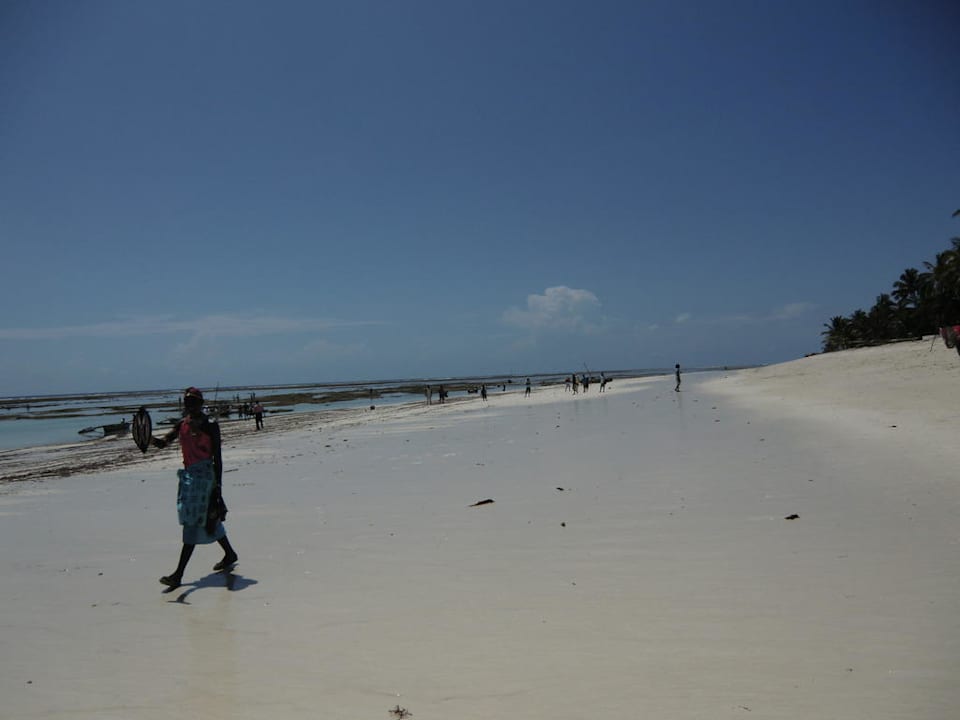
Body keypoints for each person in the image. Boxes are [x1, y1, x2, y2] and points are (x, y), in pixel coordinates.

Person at [151, 387, 237, 588]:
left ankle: (178, 575)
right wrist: (147, 439)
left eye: (194, 402)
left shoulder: (210, 426)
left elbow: (218, 458)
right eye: (187, 402)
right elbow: (163, 443)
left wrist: (218, 488)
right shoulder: (182, 424)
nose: (190, 405)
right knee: (207, 519)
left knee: (193, 522)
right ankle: (230, 553)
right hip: (189, 479)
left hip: (206, 478)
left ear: (201, 403)